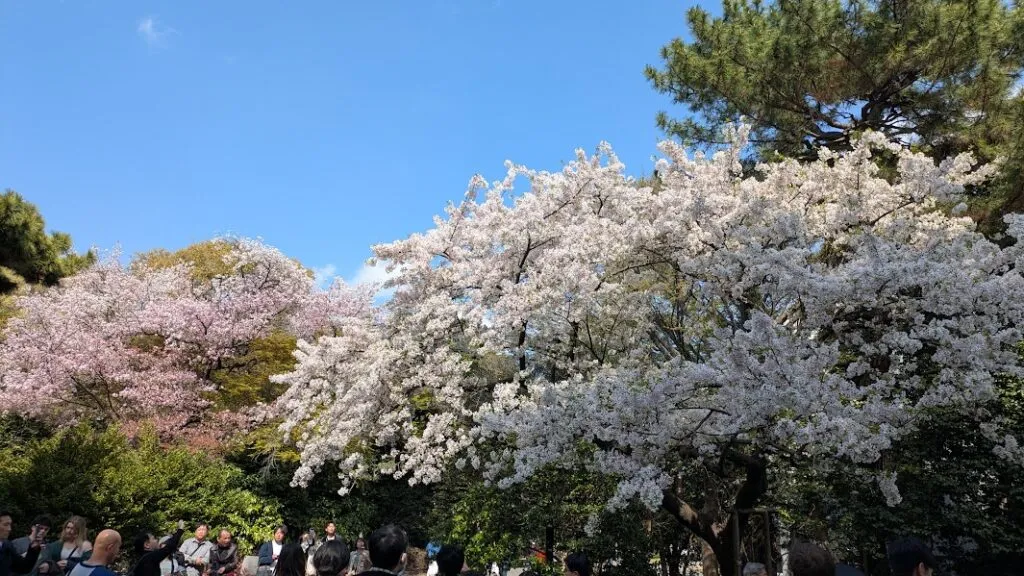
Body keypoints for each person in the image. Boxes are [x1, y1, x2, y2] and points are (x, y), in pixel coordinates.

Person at [1, 511, 45, 576]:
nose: (9, 529)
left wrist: (34, 548)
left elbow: (23, 568)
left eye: (10, 525)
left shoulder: (7, 545)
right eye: (5, 525)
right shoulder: (13, 544)